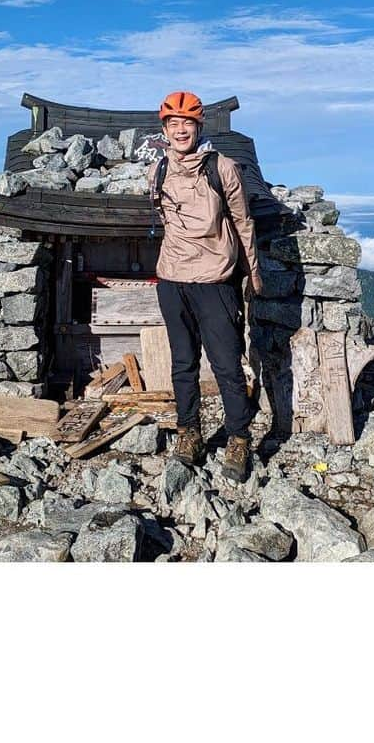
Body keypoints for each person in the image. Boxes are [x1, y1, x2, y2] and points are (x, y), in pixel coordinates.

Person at [149, 90, 263, 482]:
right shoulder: (159, 170)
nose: (181, 130)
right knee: (182, 363)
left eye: (188, 123)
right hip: (173, 279)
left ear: (199, 127)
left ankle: (238, 439)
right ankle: (189, 433)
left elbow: (243, 221)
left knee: (227, 365)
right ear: (165, 129)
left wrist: (253, 275)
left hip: (215, 280)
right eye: (174, 124)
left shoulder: (222, 168)